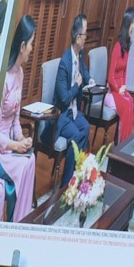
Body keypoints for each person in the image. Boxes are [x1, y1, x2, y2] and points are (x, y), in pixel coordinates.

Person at [0, 16, 37, 222]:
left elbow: (15, 118)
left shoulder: (20, 73)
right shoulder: (3, 79)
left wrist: (21, 139)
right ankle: (11, 224)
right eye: (31, 43)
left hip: (9, 143)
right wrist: (15, 146)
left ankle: (21, 219)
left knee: (30, 159)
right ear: (22, 46)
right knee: (15, 182)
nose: (32, 48)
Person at [43, 13, 92, 189]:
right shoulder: (65, 62)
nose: (86, 38)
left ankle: (79, 172)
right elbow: (63, 98)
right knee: (76, 136)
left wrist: (88, 80)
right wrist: (78, 85)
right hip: (62, 114)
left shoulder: (80, 53)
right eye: (85, 34)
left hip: (74, 110)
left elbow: (84, 70)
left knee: (86, 127)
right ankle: (67, 184)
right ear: (78, 37)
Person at [107, 8, 134, 143]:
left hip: (120, 88)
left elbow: (124, 72)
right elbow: (110, 76)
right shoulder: (117, 47)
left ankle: (124, 141)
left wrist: (124, 86)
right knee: (126, 105)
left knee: (131, 101)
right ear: (127, 24)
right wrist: (119, 89)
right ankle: (120, 143)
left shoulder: (126, 46)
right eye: (133, 23)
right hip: (113, 90)